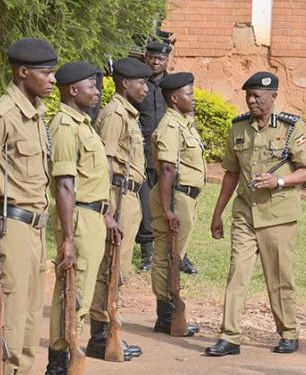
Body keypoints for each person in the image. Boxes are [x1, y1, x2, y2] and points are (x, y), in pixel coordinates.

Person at [204, 72, 306, 357]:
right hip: (245, 212)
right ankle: (229, 337)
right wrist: (217, 214)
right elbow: (231, 173)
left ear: (273, 97)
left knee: (278, 278)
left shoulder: (292, 128)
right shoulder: (238, 127)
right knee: (237, 275)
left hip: (277, 214)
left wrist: (279, 181)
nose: (252, 101)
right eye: (249, 96)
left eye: (258, 96)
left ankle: (289, 332)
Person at [0, 38, 57, 374]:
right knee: (3, 332)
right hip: (11, 229)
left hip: (35, 231)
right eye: (46, 73)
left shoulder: (35, 116)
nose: (52, 80)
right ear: (23, 72)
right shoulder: (0, 115)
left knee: (28, 332)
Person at [44, 62, 121, 374]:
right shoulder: (64, 126)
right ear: (73, 90)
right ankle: (59, 364)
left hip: (92, 216)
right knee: (72, 295)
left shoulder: (84, 124)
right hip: (77, 220)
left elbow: (90, 180)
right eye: (92, 86)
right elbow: (64, 185)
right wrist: (67, 238)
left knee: (82, 294)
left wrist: (104, 215)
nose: (97, 92)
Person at [86, 57, 152, 361]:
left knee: (120, 268)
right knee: (110, 268)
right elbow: (107, 165)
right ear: (125, 83)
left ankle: (109, 332)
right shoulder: (115, 114)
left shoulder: (128, 113)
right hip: (117, 196)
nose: (146, 88)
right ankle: (101, 337)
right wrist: (109, 212)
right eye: (141, 82)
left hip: (130, 197)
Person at [135, 41, 199, 274]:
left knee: (177, 202)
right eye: (152, 57)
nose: (155, 62)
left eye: (160, 59)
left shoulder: (175, 86)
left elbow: (188, 115)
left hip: (171, 154)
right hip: (144, 151)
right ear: (146, 57)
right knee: (146, 202)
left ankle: (180, 254)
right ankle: (148, 252)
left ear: (167, 60)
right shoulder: (139, 83)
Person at [149, 72, 204, 336]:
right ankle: (167, 314)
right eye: (189, 93)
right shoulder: (170, 126)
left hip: (184, 198)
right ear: (174, 98)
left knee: (174, 255)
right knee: (166, 256)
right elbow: (167, 169)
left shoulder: (184, 122)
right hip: (174, 196)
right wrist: (168, 208)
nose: (193, 98)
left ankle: (169, 312)